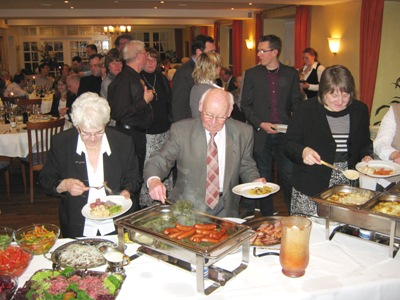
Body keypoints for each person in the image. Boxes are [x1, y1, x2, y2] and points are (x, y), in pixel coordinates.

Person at [144, 88, 265, 217]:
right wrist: (154, 180)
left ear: (229, 111)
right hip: (188, 207)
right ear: (200, 106)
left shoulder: (243, 132)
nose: (213, 122)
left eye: (220, 117)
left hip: (226, 206)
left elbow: (246, 164)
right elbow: (161, 158)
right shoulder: (182, 131)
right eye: (208, 115)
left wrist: (254, 180)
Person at [40, 92, 141, 238]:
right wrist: (64, 185)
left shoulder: (123, 142)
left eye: (99, 132)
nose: (93, 139)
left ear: (105, 124)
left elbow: (134, 178)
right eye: (86, 133)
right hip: (78, 223)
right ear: (76, 126)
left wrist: (127, 191)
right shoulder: (62, 143)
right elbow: (45, 180)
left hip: (117, 222)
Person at [284, 65, 373, 216]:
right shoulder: (305, 110)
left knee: (341, 232)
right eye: (333, 95)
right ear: (322, 92)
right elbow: (288, 145)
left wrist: (367, 155)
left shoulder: (360, 110)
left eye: (345, 95)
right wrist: (303, 151)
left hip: (348, 185)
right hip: (311, 184)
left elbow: (365, 143)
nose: (340, 101)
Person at [241, 34, 301, 216]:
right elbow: (245, 105)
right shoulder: (252, 74)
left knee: (288, 176)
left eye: (263, 51)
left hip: (285, 135)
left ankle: (294, 214)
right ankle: (267, 215)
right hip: (261, 134)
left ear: (275, 52)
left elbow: (296, 102)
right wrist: (260, 123)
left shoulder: (291, 74)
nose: (259, 54)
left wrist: (296, 123)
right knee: (263, 178)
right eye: (258, 50)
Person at [107, 40, 154, 208]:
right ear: (139, 56)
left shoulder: (131, 76)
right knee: (131, 178)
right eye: (145, 54)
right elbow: (119, 112)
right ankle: (130, 211)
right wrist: (144, 101)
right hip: (129, 136)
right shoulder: (126, 79)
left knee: (135, 176)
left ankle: (132, 210)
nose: (147, 57)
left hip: (135, 135)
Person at [140, 47, 173, 208]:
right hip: (148, 133)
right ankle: (149, 203)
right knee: (150, 166)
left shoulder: (162, 78)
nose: (151, 62)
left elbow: (169, 103)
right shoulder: (138, 80)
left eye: (154, 59)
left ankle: (165, 198)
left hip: (165, 131)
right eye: (147, 59)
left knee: (166, 163)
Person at [171, 34, 215, 122]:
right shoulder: (184, 73)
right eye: (211, 52)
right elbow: (179, 107)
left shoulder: (204, 69)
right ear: (199, 52)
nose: (214, 55)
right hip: (189, 125)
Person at [190, 52, 222, 118]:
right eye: (219, 65)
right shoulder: (213, 92)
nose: (220, 68)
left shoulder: (196, 87)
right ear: (213, 68)